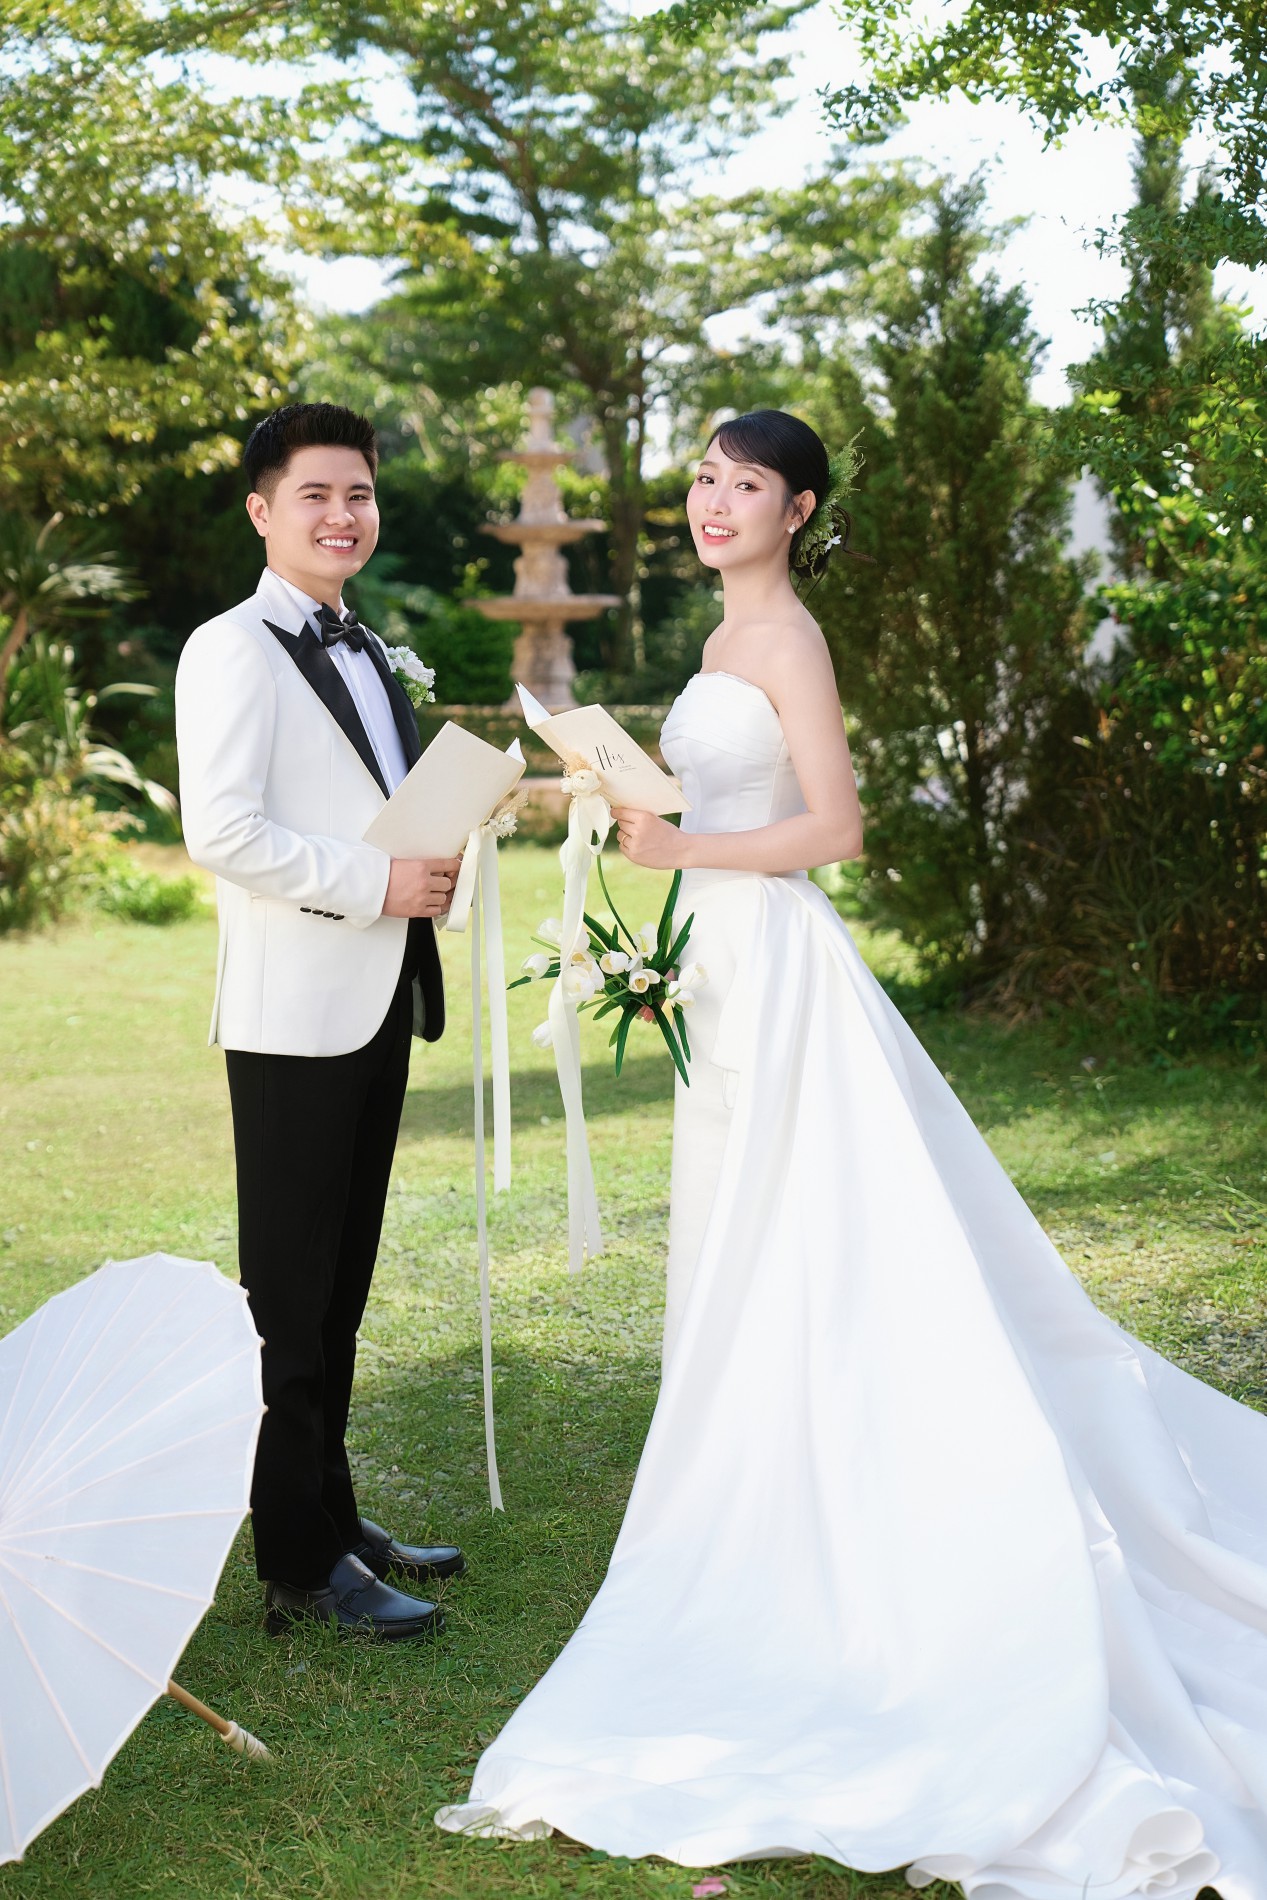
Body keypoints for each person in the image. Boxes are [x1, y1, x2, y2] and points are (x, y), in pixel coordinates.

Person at [436, 409, 1267, 1894]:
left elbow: (835, 828)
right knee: (741, 1250)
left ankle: (827, 1505)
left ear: (798, 509)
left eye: (744, 484)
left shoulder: (787, 642)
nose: (713, 502)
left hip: (777, 967)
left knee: (808, 1244)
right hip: (718, 964)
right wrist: (640, 810)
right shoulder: (715, 640)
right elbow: (719, 804)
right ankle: (755, 1486)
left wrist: (682, 847)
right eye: (703, 478)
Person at [176, 402, 466, 1641]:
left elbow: (373, 810)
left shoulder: (369, 646)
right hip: (292, 1016)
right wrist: (374, 882)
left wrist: (441, 848)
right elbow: (221, 830)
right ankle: (298, 1559)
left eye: (359, 493)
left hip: (378, 998)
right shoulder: (230, 648)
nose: (343, 515)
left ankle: (334, 1515)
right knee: (289, 1301)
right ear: (262, 510)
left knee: (340, 1288)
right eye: (315, 494)